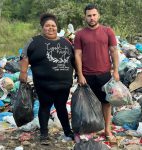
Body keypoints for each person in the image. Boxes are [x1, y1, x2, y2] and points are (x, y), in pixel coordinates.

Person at [19, 13, 74, 145]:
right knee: (45, 107)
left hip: (63, 84)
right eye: (47, 26)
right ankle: (44, 133)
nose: (51, 28)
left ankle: (67, 131)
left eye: (53, 26)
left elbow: (73, 59)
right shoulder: (34, 41)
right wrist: (23, 72)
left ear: (57, 27)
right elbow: (24, 57)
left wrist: (79, 73)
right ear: (42, 27)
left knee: (61, 107)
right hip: (44, 84)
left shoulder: (65, 42)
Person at [74, 3, 119, 144]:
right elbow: (78, 55)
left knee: (106, 103)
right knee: (88, 104)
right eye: (89, 16)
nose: (92, 18)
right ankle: (90, 131)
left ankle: (107, 130)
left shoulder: (108, 31)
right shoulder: (80, 34)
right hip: (87, 76)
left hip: (104, 74)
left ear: (98, 15)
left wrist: (116, 71)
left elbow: (114, 51)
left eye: (94, 15)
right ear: (85, 17)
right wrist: (80, 74)